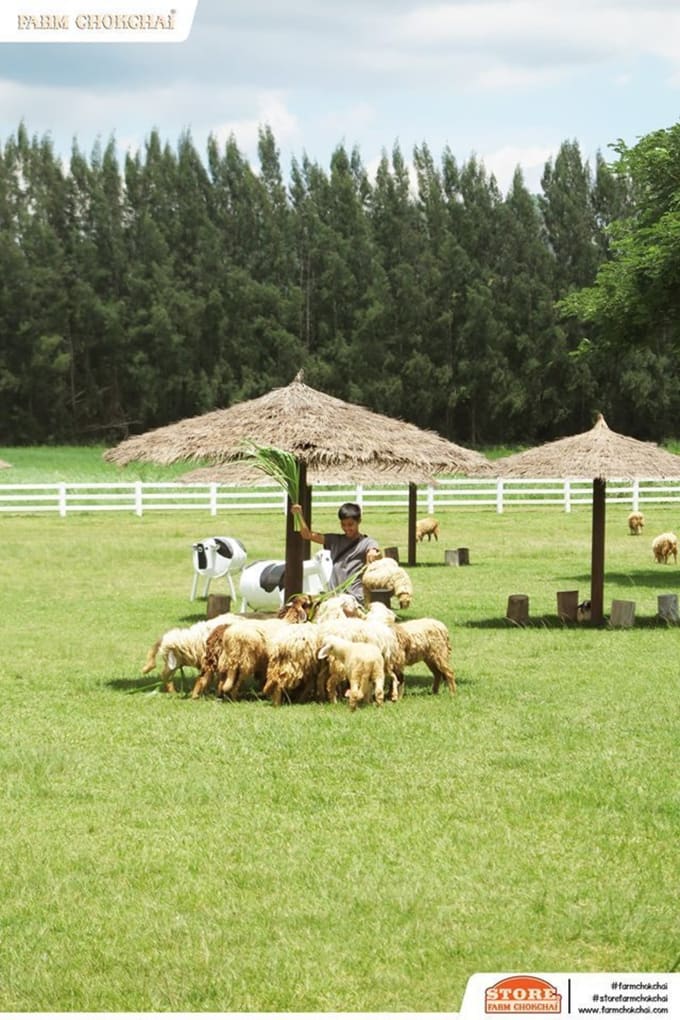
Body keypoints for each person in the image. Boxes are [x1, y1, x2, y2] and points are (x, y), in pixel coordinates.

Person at [290, 501, 380, 603]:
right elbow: (307, 535)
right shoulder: (334, 540)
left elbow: (372, 551)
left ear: (359, 521)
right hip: (334, 596)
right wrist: (299, 515)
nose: (347, 528)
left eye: (350, 525)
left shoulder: (367, 542)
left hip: (354, 597)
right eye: (343, 525)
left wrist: (372, 553)